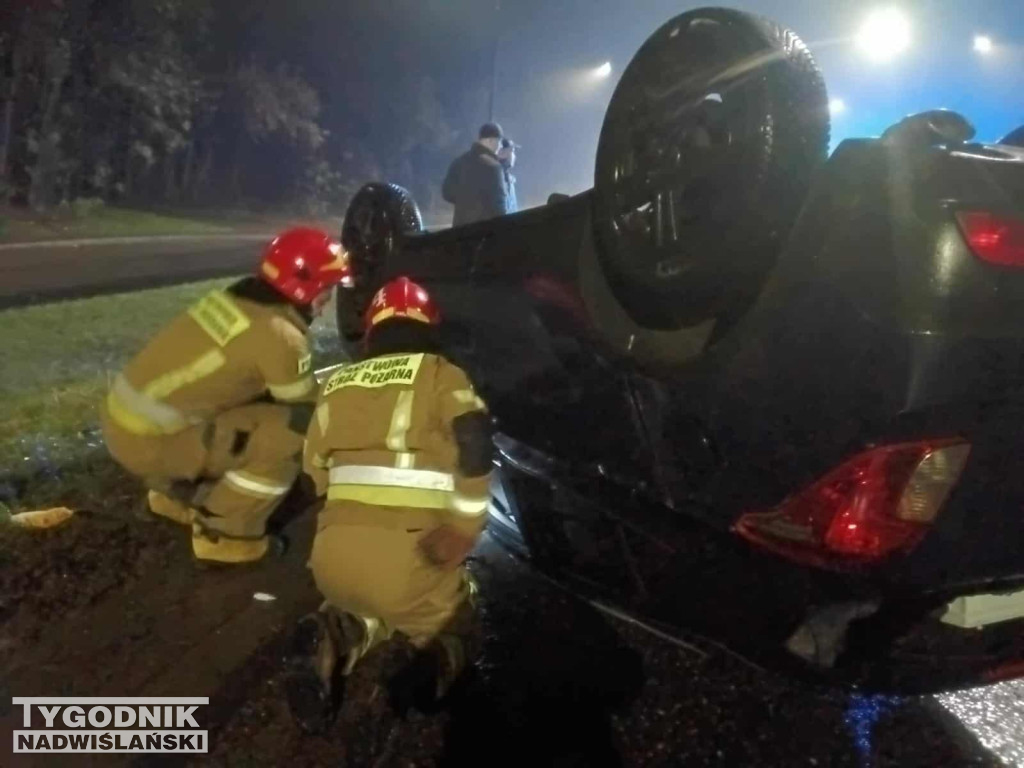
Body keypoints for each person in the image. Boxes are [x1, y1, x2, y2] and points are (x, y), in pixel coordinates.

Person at [285, 276, 493, 733]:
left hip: (332, 558)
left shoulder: (337, 383)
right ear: (428, 328)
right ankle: (431, 664)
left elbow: (312, 473)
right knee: (455, 618)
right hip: (412, 554)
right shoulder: (441, 374)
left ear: (372, 331)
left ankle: (338, 632)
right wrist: (464, 525)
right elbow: (476, 445)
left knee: (365, 605)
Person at [100, 227, 351, 564]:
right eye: (327, 289)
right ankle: (225, 535)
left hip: (124, 426)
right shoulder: (281, 337)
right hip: (152, 445)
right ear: (304, 286)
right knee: (294, 431)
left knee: (250, 410)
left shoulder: (230, 301)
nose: (327, 302)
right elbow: (308, 408)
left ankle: (171, 496)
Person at [442, 122, 512, 226]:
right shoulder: (493, 167)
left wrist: (465, 201)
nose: (500, 146)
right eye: (499, 141)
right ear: (491, 141)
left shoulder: (459, 161)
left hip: (459, 229)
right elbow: (500, 208)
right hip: (483, 233)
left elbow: (446, 193)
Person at [497, 137, 519, 215]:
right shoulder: (493, 179)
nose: (514, 156)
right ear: (502, 152)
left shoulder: (510, 180)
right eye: (512, 151)